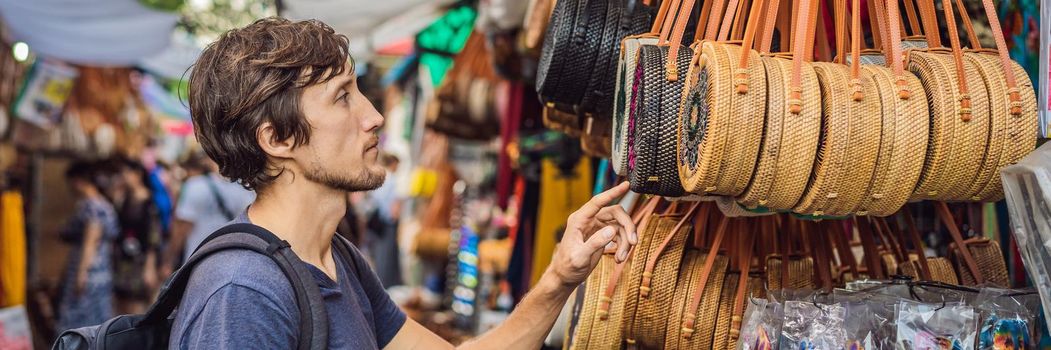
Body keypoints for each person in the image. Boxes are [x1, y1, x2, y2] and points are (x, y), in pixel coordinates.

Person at [173, 17, 637, 350]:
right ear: (276, 139)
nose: (373, 117)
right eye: (342, 100)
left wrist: (559, 276)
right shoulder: (243, 293)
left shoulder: (338, 259)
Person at [160, 152, 254, 277]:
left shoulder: (194, 186)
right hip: (231, 264)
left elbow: (181, 229)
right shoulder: (244, 191)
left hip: (197, 261)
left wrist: (168, 260)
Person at [57, 162, 121, 332]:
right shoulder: (105, 205)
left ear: (78, 181)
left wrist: (81, 274)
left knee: (78, 323)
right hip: (101, 271)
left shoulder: (90, 206)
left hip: (88, 272)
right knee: (96, 324)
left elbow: (90, 242)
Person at [111, 158, 161, 314]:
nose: (123, 177)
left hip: (140, 260)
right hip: (122, 258)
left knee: (136, 304)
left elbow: (153, 236)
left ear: (137, 174)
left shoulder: (149, 202)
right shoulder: (123, 199)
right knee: (120, 303)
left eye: (126, 173)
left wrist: (150, 266)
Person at [364, 153, 404, 288]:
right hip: (388, 222)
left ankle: (381, 283)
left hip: (377, 222)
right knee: (388, 255)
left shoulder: (380, 176)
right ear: (393, 164)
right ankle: (387, 285)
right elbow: (395, 204)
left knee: (379, 255)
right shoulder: (392, 179)